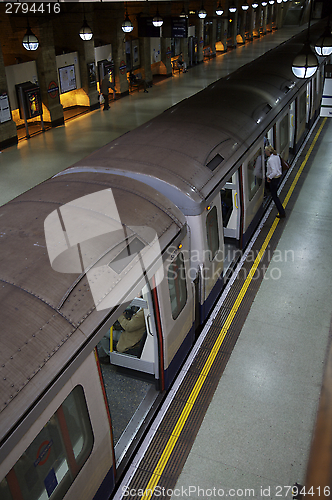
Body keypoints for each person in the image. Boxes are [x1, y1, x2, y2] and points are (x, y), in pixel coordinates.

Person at [265, 145, 286, 218]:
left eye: (265, 151)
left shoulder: (270, 160)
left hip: (274, 179)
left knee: (274, 196)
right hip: (278, 177)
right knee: (274, 195)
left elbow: (274, 172)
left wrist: (268, 177)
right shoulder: (276, 156)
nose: (265, 153)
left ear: (268, 152)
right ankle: (282, 212)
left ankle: (282, 212)